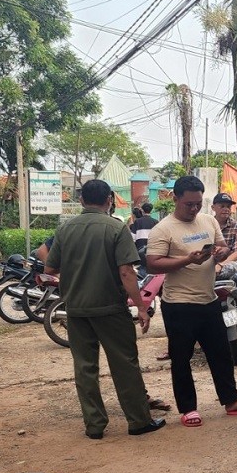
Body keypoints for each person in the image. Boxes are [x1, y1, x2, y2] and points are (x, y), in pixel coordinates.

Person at [43, 179, 165, 439]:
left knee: (85, 368)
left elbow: (50, 269)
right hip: (110, 308)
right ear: (109, 200)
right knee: (124, 365)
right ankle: (138, 421)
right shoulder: (116, 228)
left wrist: (76, 274)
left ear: (82, 200)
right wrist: (142, 307)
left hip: (76, 309)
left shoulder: (65, 229)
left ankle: (94, 425)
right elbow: (126, 272)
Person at [145, 175, 237, 427]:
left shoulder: (208, 220)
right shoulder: (163, 229)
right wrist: (186, 260)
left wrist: (221, 253)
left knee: (220, 353)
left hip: (208, 300)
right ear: (176, 198)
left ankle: (231, 399)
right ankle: (188, 408)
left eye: (197, 204)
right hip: (178, 305)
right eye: (188, 204)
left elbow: (222, 246)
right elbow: (152, 262)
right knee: (181, 358)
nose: (193, 209)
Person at [211, 192, 237, 279]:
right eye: (222, 206)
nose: (226, 209)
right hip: (208, 262)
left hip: (228, 264)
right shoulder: (207, 224)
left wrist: (221, 265)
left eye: (228, 207)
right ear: (213, 208)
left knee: (233, 266)